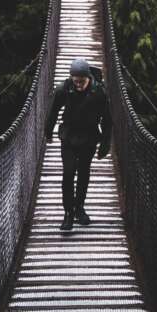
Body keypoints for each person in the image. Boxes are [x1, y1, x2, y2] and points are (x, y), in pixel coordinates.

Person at [45, 58, 112, 231]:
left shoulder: (99, 92)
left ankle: (79, 208)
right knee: (68, 172)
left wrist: (105, 145)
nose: (79, 85)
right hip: (68, 136)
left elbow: (107, 120)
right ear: (71, 78)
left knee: (83, 173)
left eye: (81, 81)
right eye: (75, 81)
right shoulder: (64, 89)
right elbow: (53, 111)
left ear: (88, 77)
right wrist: (48, 132)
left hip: (89, 137)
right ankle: (68, 213)